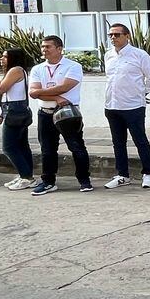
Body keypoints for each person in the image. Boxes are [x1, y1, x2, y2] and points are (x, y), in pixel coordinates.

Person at [28, 35, 92, 195]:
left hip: (67, 113)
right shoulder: (37, 69)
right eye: (43, 47)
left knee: (76, 147)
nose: (44, 50)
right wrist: (55, 97)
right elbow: (33, 93)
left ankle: (84, 180)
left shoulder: (73, 66)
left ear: (59, 48)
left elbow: (64, 87)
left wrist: (40, 92)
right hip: (45, 113)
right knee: (47, 149)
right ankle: (48, 181)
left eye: (48, 47)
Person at [103, 22, 150, 190]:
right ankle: (122, 175)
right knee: (118, 142)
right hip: (112, 105)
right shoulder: (108, 55)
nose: (113, 38)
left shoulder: (139, 55)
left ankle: (148, 174)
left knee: (140, 140)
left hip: (133, 106)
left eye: (117, 34)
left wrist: (143, 93)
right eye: (110, 35)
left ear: (127, 36)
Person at [0, 47, 36, 189]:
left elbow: (1, 89)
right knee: (22, 145)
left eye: (5, 57)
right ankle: (26, 175)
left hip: (15, 110)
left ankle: (26, 177)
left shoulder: (16, 70)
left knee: (9, 147)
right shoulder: (17, 71)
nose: (2, 59)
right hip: (14, 109)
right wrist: (1, 115)